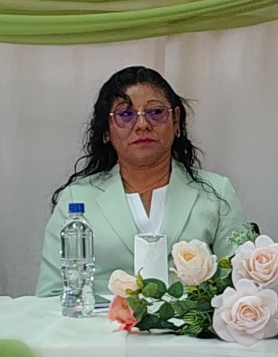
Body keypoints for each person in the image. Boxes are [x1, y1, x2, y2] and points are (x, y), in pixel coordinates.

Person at [37, 67, 251, 296]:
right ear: (106, 131)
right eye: (125, 114)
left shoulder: (217, 193)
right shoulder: (77, 198)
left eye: (156, 112)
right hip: (98, 320)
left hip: (191, 320)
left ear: (175, 121)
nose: (142, 125)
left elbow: (242, 289)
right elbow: (51, 295)